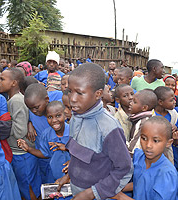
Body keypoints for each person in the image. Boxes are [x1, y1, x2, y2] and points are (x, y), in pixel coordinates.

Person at [57, 63, 133, 200]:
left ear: (98, 94)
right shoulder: (75, 117)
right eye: (70, 91)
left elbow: (124, 169)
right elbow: (79, 155)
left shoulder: (109, 128)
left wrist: (91, 193)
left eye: (80, 93)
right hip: (76, 189)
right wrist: (69, 176)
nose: (72, 98)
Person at [0, 68, 40, 200]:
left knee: (27, 186)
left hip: (22, 154)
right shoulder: (13, 99)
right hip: (19, 152)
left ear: (14, 83)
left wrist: (1, 128)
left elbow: (19, 131)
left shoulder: (16, 101)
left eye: (2, 79)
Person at [18, 101, 71, 196]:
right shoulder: (46, 135)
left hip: (73, 176)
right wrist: (28, 149)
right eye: (50, 117)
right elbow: (45, 154)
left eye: (58, 116)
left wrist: (67, 148)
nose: (54, 120)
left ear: (65, 115)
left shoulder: (73, 132)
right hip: (54, 175)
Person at [118, 116, 178, 200]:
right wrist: (116, 189)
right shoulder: (139, 157)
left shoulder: (166, 173)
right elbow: (139, 183)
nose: (148, 145)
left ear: (169, 143)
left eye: (156, 141)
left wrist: (120, 196)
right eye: (144, 138)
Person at [24, 83, 52, 183]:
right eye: (30, 108)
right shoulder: (31, 113)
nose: (34, 111)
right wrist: (29, 123)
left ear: (47, 100)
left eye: (36, 107)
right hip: (42, 158)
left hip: (58, 158)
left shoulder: (56, 114)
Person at [153, 86, 178, 164]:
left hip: (167, 152)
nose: (174, 102)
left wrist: (175, 130)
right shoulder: (150, 116)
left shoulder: (173, 114)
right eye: (171, 100)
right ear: (160, 102)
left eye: (174, 99)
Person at [127, 89, 157, 155]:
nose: (130, 103)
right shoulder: (146, 118)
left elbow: (133, 149)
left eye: (134, 102)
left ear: (144, 108)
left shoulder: (143, 122)